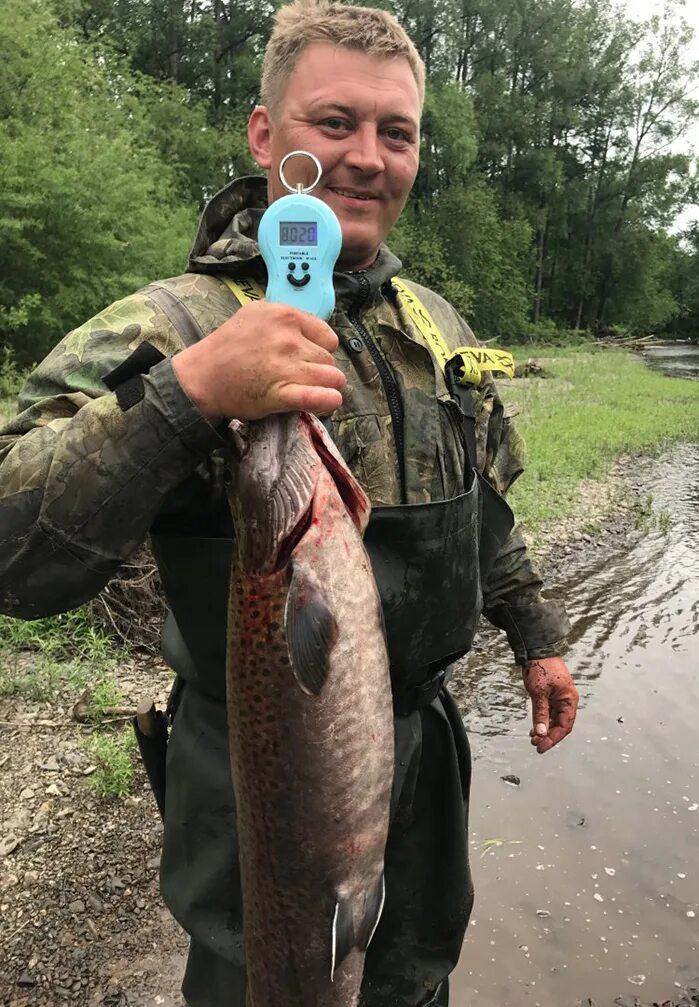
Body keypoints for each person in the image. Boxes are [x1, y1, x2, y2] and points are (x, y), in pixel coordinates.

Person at [0, 1, 579, 1003]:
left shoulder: (430, 321)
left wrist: (536, 631)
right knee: (270, 980)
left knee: (410, 973)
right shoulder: (173, 319)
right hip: (259, 767)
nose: (365, 156)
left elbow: (483, 500)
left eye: (395, 131)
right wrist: (188, 394)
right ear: (266, 135)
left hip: (418, 746)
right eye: (334, 121)